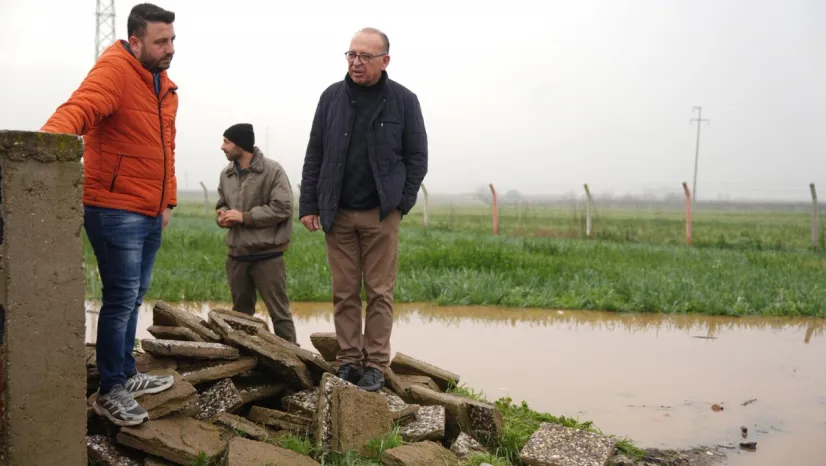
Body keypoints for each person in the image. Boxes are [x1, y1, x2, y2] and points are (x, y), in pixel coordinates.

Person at [40, 3, 178, 426]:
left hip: (148, 209)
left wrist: (167, 201)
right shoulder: (115, 70)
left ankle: (127, 374)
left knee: (133, 296)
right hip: (115, 208)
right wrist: (40, 148)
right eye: (160, 41)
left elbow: (166, 149)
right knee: (120, 300)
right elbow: (79, 109)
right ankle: (109, 390)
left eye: (172, 40)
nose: (170, 48)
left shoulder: (162, 83)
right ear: (135, 42)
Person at [298, 27, 428, 391]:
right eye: (351, 55)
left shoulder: (404, 101)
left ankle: (375, 364)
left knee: (379, 292)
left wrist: (400, 204)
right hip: (337, 212)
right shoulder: (331, 98)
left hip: (381, 214)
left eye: (365, 57)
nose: (356, 62)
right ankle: (349, 361)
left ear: (385, 61)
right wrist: (308, 204)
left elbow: (417, 157)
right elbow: (315, 153)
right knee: (344, 292)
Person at [216, 123, 297, 343]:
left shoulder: (273, 171)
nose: (222, 147)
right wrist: (221, 216)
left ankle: (294, 358)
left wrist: (245, 217)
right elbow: (222, 203)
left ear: (240, 144)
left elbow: (283, 208)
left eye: (226, 142)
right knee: (240, 316)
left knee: (280, 314)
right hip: (237, 255)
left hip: (267, 255)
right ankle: (244, 358)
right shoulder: (226, 174)